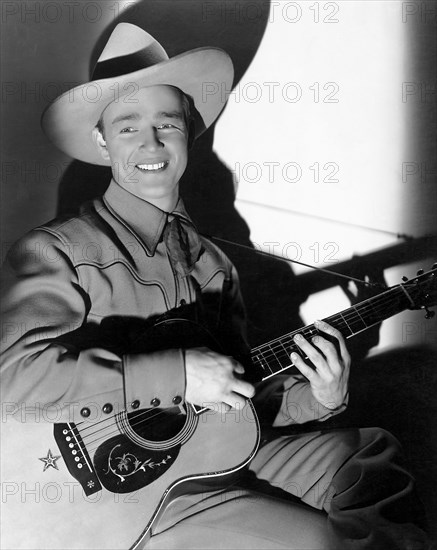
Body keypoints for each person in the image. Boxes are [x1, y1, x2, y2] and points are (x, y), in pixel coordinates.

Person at [0, 23, 430, 550]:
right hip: (136, 500)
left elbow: (236, 399)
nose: (151, 143)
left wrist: (316, 398)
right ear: (101, 140)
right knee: (328, 542)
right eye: (128, 126)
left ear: (189, 131)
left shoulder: (214, 264)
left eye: (167, 123)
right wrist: (176, 374)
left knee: (367, 454)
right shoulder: (61, 250)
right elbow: (11, 382)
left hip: (212, 457)